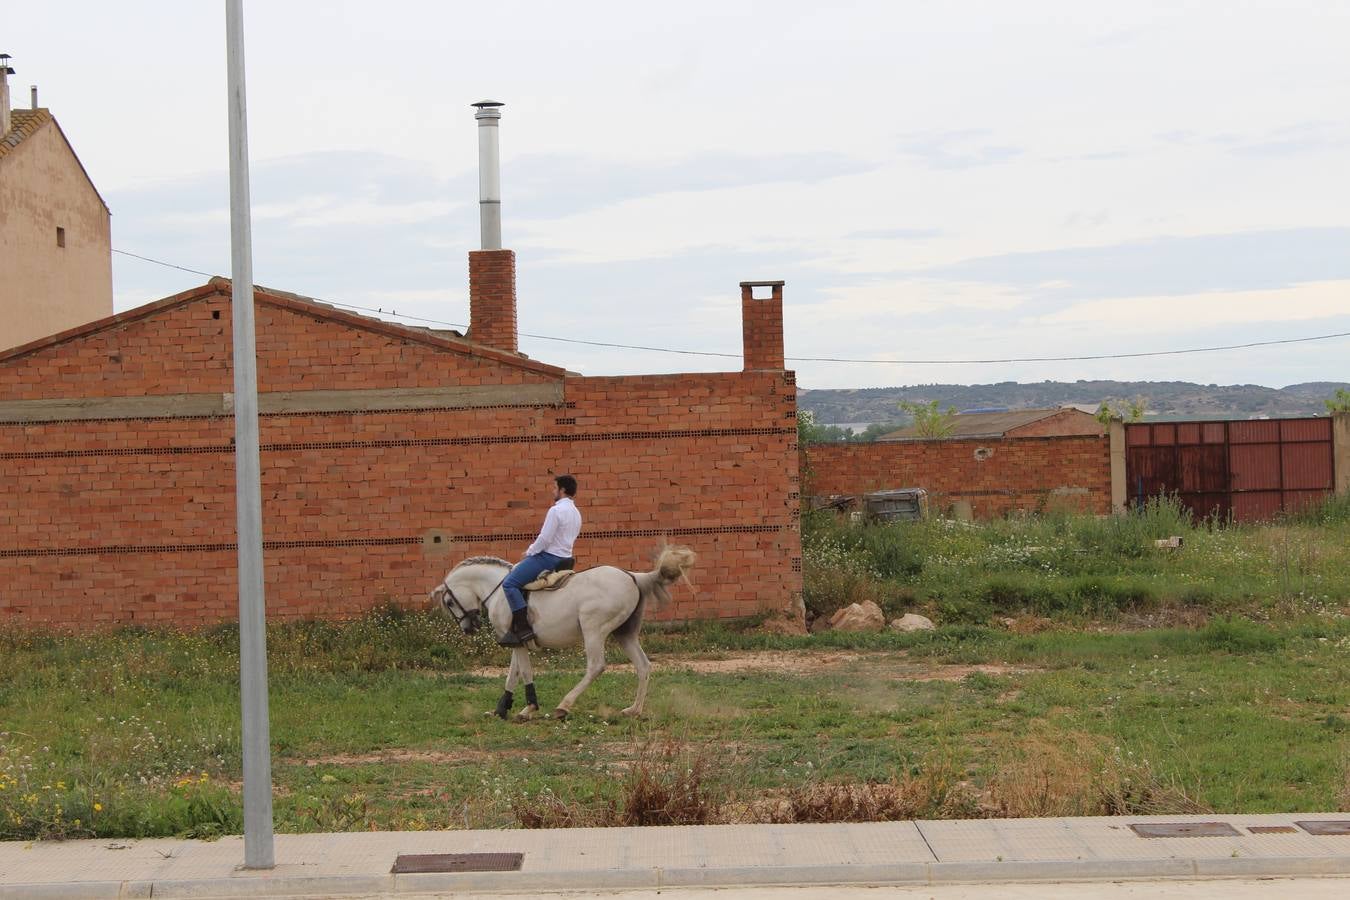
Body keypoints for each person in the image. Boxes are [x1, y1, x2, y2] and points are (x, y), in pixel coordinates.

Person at [499, 474, 582, 646]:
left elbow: (545, 539)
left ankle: (522, 628)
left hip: (548, 558)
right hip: (566, 559)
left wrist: (529, 552)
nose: (553, 491)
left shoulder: (556, 511)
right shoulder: (576, 513)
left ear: (562, 490)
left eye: (554, 488)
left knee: (509, 583)